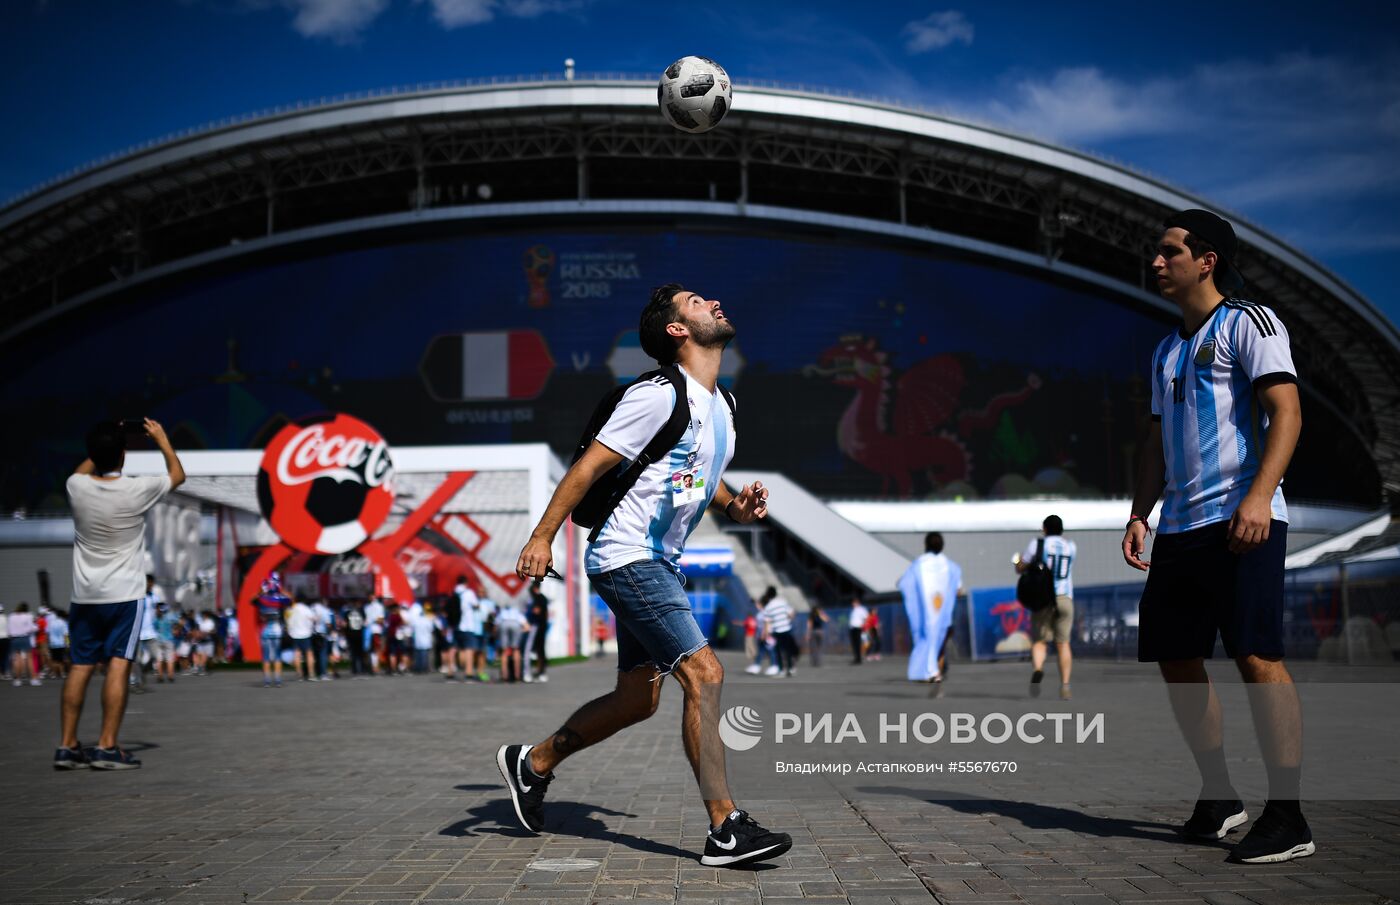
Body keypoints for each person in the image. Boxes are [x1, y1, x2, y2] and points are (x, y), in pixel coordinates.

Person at [503, 283, 790, 868]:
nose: (712, 301)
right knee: (705, 675)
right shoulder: (656, 395)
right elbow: (588, 468)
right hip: (626, 555)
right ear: (677, 332)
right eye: (694, 302)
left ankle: (531, 764)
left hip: (659, 561)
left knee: (637, 700)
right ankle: (725, 827)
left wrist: (735, 507)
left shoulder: (723, 406)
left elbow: (692, 475)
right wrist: (541, 536)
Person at [1123, 209, 1311, 864]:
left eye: (1168, 251)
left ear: (1207, 260)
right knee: (1177, 660)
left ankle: (1287, 813)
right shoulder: (1165, 349)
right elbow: (1153, 443)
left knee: (1257, 655)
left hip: (1243, 519)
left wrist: (1259, 496)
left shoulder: (1249, 323)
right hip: (1179, 527)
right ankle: (1218, 794)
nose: (1156, 262)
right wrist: (1140, 513)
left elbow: (1286, 412)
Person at [56, 418, 184, 770]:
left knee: (80, 666)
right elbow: (177, 474)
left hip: (84, 593)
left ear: (93, 455)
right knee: (118, 664)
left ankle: (66, 746)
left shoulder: (75, 487)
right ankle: (107, 747)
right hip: (124, 593)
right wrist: (161, 438)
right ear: (123, 457)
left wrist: (102, 443)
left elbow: (85, 468)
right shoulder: (135, 488)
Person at [1016, 515, 1076, 699]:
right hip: (1065, 597)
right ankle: (1065, 685)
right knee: (1063, 643)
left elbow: (1022, 567)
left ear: (1044, 528)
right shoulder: (1070, 546)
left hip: (1043, 597)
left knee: (1040, 640)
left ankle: (1038, 668)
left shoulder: (1038, 544)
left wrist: (1018, 562)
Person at [898, 532, 963, 684]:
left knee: (925, 640)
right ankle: (934, 671)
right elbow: (958, 589)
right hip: (942, 616)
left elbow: (904, 584)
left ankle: (930, 672)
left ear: (926, 545)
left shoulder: (918, 565)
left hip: (924, 616)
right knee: (938, 644)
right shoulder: (951, 567)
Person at [255, 574, 290, 688]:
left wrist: (261, 591)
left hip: (265, 630)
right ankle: (278, 680)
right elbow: (290, 599)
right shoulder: (280, 600)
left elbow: (252, 600)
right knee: (277, 656)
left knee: (266, 657)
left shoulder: (262, 600)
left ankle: (267, 681)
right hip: (277, 630)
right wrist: (281, 589)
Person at [761, 587, 797, 678]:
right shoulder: (782, 602)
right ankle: (791, 669)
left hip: (777, 631)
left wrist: (765, 634)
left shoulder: (768, 607)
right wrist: (787, 620)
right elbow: (791, 613)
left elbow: (767, 622)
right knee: (788, 650)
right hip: (787, 628)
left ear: (767, 595)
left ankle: (782, 671)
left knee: (778, 651)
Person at [496, 600, 528, 682]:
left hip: (503, 623)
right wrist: (521, 632)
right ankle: (517, 675)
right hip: (515, 623)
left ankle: (504, 676)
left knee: (504, 651)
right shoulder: (517, 611)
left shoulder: (502, 611)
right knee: (516, 650)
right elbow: (526, 626)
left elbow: (496, 626)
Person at [525, 580, 550, 683]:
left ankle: (541, 672)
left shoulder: (538, 598)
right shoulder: (542, 598)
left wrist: (528, 613)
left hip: (538, 626)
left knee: (539, 650)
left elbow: (537, 611)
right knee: (539, 650)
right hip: (542, 625)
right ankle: (540, 671)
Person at [285, 597, 315, 681]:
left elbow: (287, 622)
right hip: (306, 634)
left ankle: (299, 675)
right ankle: (311, 674)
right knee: (309, 654)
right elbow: (313, 619)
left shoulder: (290, 609)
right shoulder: (306, 609)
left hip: (294, 634)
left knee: (297, 654)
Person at [9, 603, 38, 687]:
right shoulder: (27, 616)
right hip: (24, 637)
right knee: (29, 659)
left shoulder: (11, 616)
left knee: (17, 659)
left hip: (14, 638)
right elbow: (31, 628)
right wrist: (35, 627)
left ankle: (17, 680)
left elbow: (9, 629)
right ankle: (33, 679)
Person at [47, 609, 71, 679]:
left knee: (54, 659)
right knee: (61, 659)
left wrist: (48, 642)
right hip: (61, 643)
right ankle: (62, 673)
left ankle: (54, 674)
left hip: (52, 643)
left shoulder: (51, 623)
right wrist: (68, 643)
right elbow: (65, 634)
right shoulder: (63, 623)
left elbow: (48, 633)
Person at [848, 596, 869, 665]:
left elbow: (866, 618)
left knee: (857, 643)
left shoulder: (862, 609)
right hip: (852, 628)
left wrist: (864, 626)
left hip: (858, 628)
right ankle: (856, 658)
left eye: (854, 602)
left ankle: (859, 659)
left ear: (858, 603)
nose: (853, 604)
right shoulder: (853, 610)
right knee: (854, 644)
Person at [806, 603, 828, 668]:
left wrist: (821, 614)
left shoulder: (819, 615)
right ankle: (815, 661)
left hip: (818, 631)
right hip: (815, 631)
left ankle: (817, 661)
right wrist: (808, 633)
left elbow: (826, 620)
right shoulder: (812, 615)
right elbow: (810, 625)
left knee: (817, 647)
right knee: (815, 647)